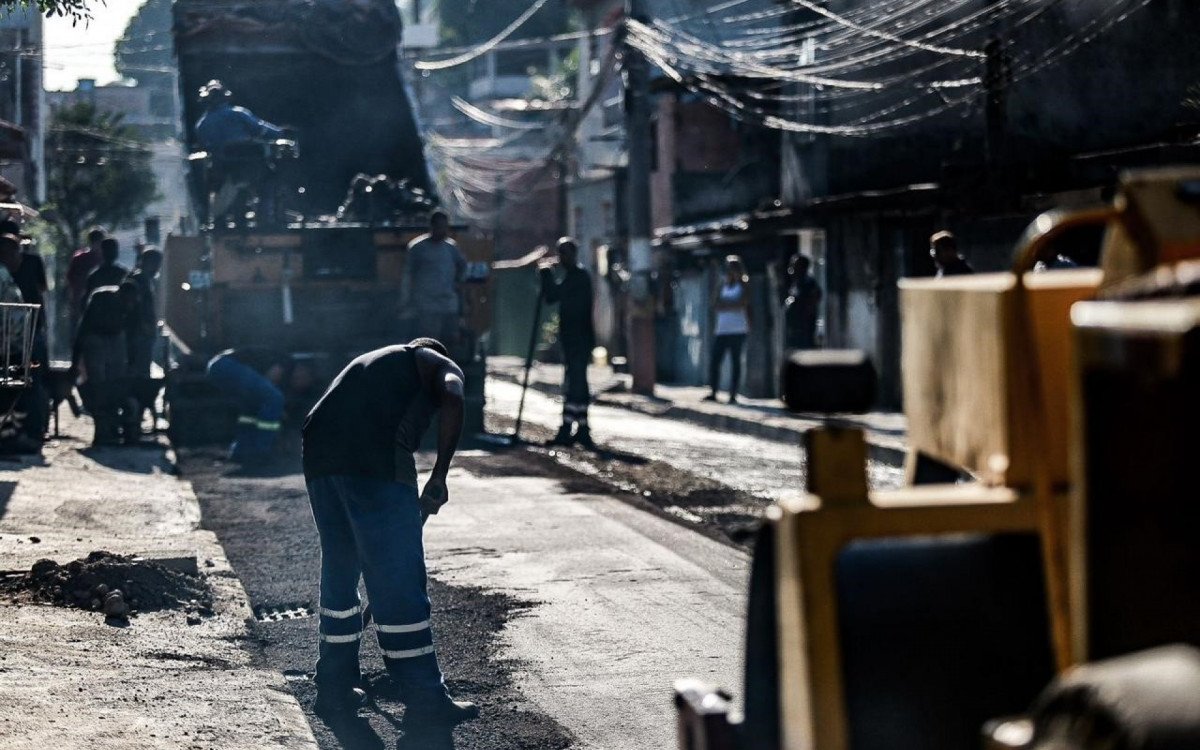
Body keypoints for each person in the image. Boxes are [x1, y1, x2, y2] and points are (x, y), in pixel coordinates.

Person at [301, 338, 479, 725]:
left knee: (340, 572)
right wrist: (440, 475)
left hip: (319, 452)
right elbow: (453, 396)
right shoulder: (436, 362)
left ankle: (333, 687)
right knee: (398, 578)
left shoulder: (376, 362)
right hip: (374, 458)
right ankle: (424, 698)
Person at [539, 237, 597, 448]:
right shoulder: (573, 276)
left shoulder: (578, 277)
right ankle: (581, 428)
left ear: (573, 254)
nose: (561, 258)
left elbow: (553, 295)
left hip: (579, 339)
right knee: (576, 382)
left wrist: (546, 274)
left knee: (576, 384)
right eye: (560, 253)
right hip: (573, 338)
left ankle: (569, 428)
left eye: (564, 253)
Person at [72, 282, 140, 445]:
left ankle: (112, 424)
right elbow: (84, 327)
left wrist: (132, 361)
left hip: (114, 342)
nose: (130, 305)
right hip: (95, 340)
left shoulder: (130, 309)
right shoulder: (101, 299)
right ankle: (104, 427)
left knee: (115, 384)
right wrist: (75, 360)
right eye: (128, 301)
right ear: (121, 295)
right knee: (99, 387)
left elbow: (133, 333)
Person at [205, 347, 293, 463]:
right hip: (227, 365)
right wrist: (278, 411)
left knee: (250, 409)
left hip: (216, 366)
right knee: (274, 398)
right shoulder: (287, 361)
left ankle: (241, 451)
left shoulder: (273, 358)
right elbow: (271, 378)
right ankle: (261, 451)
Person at [403, 210, 466, 349]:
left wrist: (458, 282)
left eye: (445, 227)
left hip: (448, 302)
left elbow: (462, 266)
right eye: (439, 227)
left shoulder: (451, 248)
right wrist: (406, 300)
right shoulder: (418, 248)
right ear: (432, 227)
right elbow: (407, 275)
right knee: (430, 340)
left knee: (452, 339)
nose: (443, 231)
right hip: (427, 303)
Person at [706, 255, 751, 404]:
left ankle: (733, 394)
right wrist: (730, 304)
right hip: (722, 329)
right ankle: (713, 392)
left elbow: (742, 303)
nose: (730, 272)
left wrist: (726, 304)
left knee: (735, 362)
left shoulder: (743, 285)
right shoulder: (723, 285)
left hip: (738, 329)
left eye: (733, 269)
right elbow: (715, 304)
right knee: (715, 361)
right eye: (728, 269)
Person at [195, 80, 284, 151]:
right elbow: (259, 129)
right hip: (247, 159)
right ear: (225, 97)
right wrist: (280, 132)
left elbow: (203, 144)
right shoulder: (238, 113)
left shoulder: (202, 124)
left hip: (220, 164)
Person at [126, 247, 163, 377]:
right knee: (140, 369)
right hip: (139, 332)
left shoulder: (143, 279)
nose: (157, 269)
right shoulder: (140, 280)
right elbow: (137, 306)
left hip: (141, 332)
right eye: (157, 265)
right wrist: (144, 325)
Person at [66, 227, 106, 330]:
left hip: (96, 305)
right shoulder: (81, 259)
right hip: (81, 304)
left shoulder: (102, 260)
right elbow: (71, 281)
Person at [784, 254, 822, 350]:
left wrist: (805, 310)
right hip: (794, 326)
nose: (791, 269)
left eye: (795, 266)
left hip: (804, 326)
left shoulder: (809, 283)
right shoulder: (795, 283)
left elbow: (815, 297)